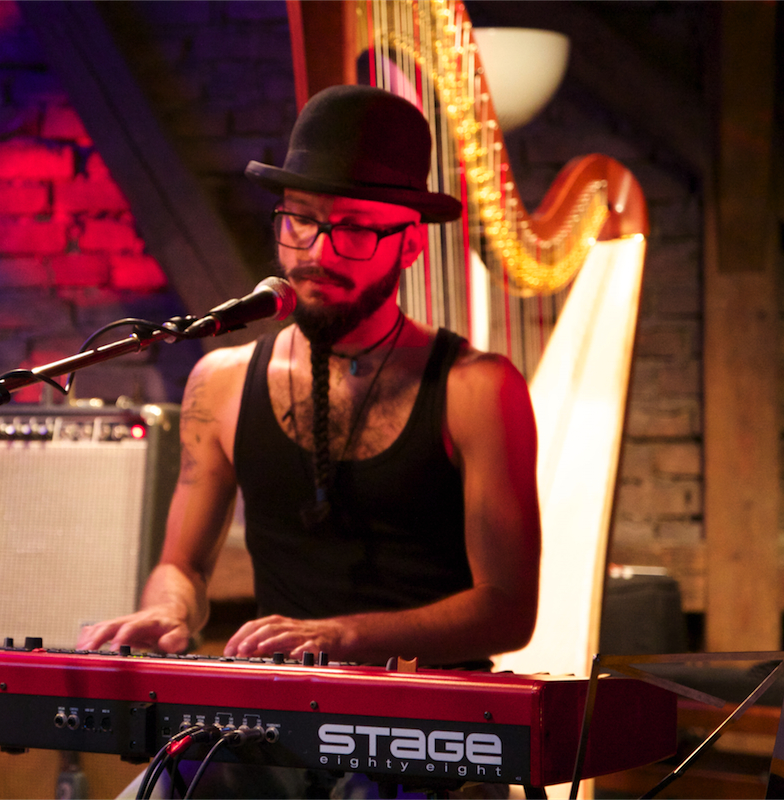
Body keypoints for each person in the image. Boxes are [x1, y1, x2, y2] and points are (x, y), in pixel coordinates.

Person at [79, 81, 541, 799]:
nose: (316, 253)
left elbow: (508, 609)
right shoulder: (220, 382)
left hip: (432, 741)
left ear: (411, 244)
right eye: (299, 220)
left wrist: (343, 636)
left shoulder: (478, 389)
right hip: (272, 733)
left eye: (353, 229)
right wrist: (169, 610)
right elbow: (182, 565)